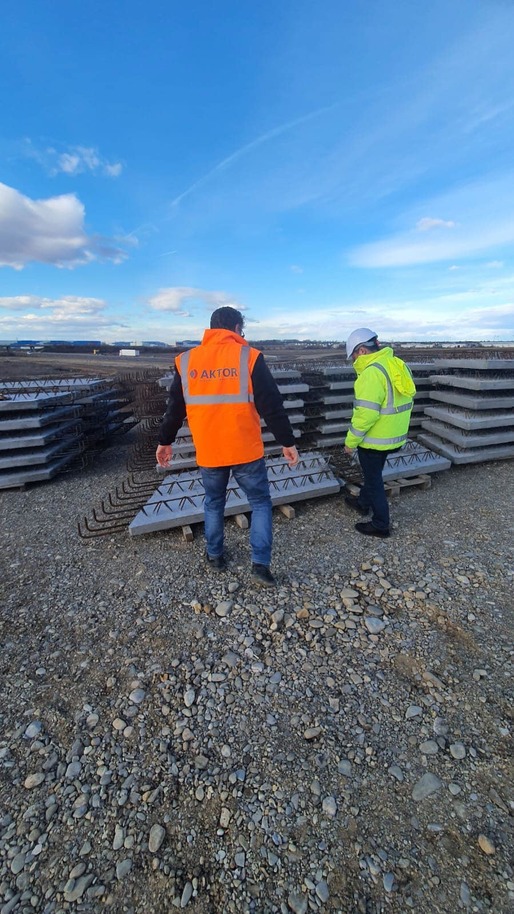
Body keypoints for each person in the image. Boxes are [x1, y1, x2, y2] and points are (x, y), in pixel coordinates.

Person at [156, 306, 299, 586]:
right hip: (246, 450)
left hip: (210, 451)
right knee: (259, 503)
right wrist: (287, 442)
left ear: (211, 329)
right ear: (236, 328)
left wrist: (165, 441)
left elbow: (175, 409)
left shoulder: (186, 361)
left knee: (214, 503)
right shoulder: (249, 357)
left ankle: (215, 556)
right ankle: (260, 567)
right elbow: (272, 406)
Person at [343, 328, 416, 538]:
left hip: (374, 440)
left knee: (374, 480)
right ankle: (362, 503)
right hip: (394, 435)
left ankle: (381, 524)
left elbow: (365, 416)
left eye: (354, 355)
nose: (354, 360)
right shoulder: (396, 364)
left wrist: (351, 442)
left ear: (363, 350)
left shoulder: (371, 373)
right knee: (372, 474)